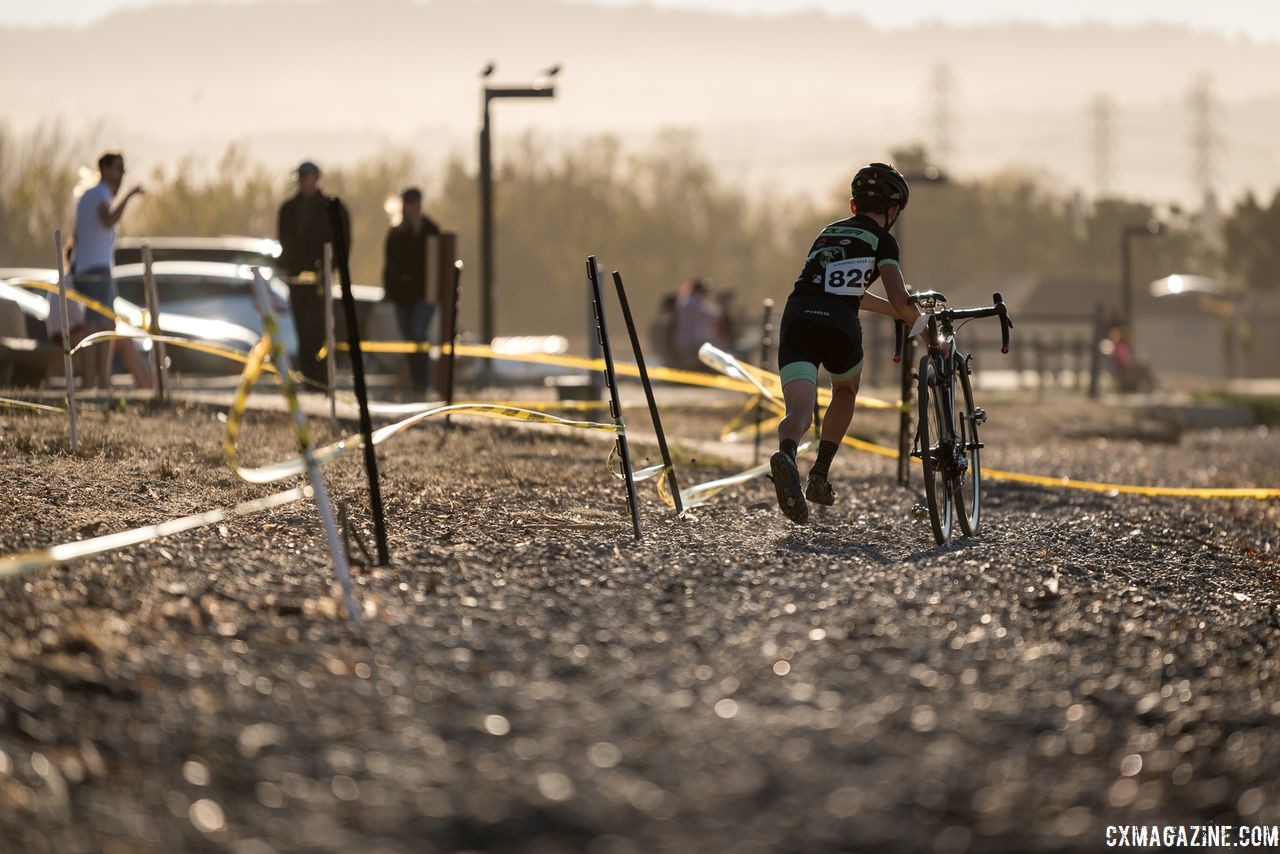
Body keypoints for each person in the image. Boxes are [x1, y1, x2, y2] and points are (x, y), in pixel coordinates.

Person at [770, 162, 928, 523]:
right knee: (844, 389)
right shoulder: (883, 239)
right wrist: (928, 333)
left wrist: (893, 313)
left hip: (797, 316)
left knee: (797, 412)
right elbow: (901, 299)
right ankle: (820, 474)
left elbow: (843, 289)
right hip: (839, 325)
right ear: (891, 212)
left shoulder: (829, 231)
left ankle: (787, 454)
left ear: (853, 206)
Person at [73, 151, 144, 389]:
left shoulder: (87, 196)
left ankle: (95, 380)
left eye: (123, 171)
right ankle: (98, 381)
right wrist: (130, 196)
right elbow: (108, 219)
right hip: (97, 270)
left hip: (87, 268)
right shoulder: (101, 193)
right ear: (104, 169)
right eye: (118, 169)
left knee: (99, 325)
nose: (121, 175)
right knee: (100, 326)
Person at [277, 160, 349, 385]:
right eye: (300, 177)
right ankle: (309, 378)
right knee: (302, 329)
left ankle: (323, 378)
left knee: (320, 327)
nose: (303, 181)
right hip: (297, 281)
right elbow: (284, 240)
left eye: (307, 176)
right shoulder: (288, 209)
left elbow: (343, 241)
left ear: (316, 178)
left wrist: (331, 268)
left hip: (321, 280)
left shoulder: (331, 207)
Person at [382, 187, 441, 395]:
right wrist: (389, 290)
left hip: (424, 295)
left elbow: (438, 263)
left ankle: (423, 381)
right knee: (408, 337)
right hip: (402, 296)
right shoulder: (396, 233)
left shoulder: (431, 230)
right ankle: (416, 382)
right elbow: (390, 265)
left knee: (418, 332)